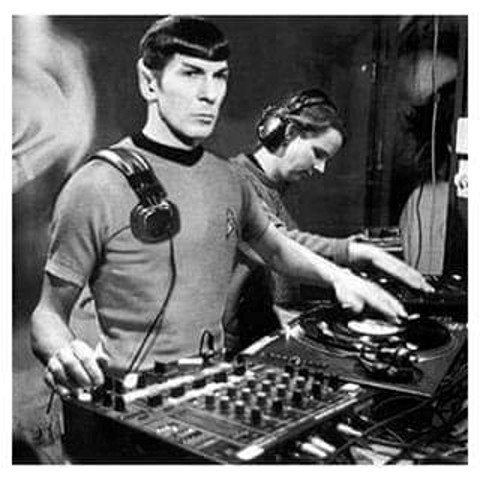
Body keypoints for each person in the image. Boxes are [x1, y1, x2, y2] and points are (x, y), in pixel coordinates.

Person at [31, 16, 409, 397]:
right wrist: (63, 352)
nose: (210, 93)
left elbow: (278, 250)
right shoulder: (95, 185)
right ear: (149, 82)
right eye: (191, 73)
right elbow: (47, 315)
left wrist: (341, 277)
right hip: (128, 398)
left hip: (209, 389)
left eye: (220, 76)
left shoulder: (229, 180)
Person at [224, 88, 433, 355]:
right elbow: (280, 244)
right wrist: (354, 252)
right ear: (290, 133)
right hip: (235, 348)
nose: (320, 168)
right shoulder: (235, 181)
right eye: (318, 153)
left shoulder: (271, 190)